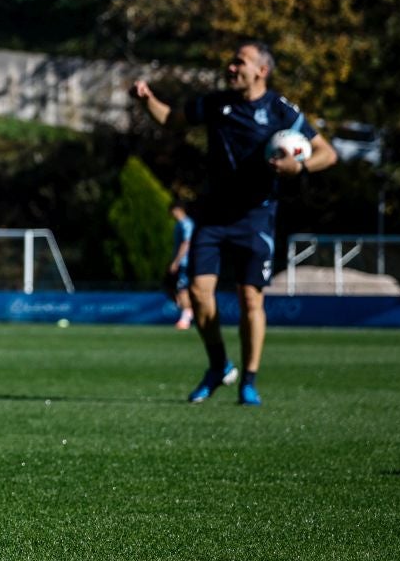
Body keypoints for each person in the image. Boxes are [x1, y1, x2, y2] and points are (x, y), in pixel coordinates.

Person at [130, 41, 336, 404]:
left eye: (240, 62)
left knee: (249, 298)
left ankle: (249, 381)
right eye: (231, 61)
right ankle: (219, 366)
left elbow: (327, 153)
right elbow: (171, 119)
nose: (231, 67)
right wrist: (147, 99)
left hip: (255, 216)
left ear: (261, 71)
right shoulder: (216, 103)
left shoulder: (280, 110)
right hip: (213, 214)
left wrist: (299, 166)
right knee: (198, 293)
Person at [168, 201, 195, 330]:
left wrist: (176, 261)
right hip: (183, 262)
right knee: (176, 289)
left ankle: (186, 318)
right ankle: (187, 312)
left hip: (186, 263)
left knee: (182, 289)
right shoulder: (180, 224)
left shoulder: (186, 224)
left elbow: (186, 243)